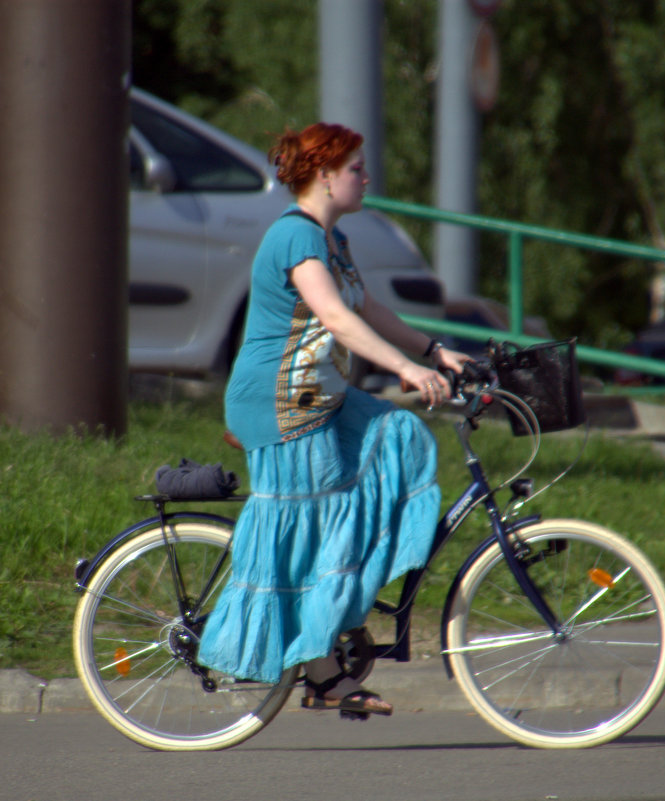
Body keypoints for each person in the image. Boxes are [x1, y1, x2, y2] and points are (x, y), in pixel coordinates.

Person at [197, 122, 469, 718]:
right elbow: (337, 321)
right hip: (280, 402)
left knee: (397, 436)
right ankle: (320, 671)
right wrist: (404, 369)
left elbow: (366, 308)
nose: (366, 178)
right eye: (356, 170)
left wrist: (432, 351)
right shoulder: (294, 237)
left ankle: (342, 614)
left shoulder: (331, 240)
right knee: (313, 524)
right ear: (324, 175)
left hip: (323, 396)